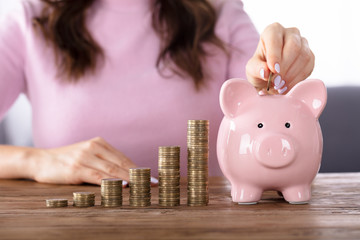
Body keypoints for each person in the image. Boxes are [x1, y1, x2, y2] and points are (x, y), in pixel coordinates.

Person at [0, 0, 314, 186]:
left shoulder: (219, 11)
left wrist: (278, 68)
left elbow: (263, 88)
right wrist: (34, 161)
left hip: (204, 224)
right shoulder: (30, 16)